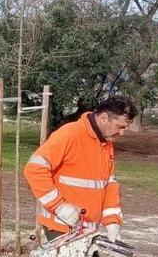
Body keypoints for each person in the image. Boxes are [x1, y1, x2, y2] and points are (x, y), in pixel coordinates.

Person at [23, 95, 138, 243]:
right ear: (104, 118)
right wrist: (59, 206)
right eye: (120, 127)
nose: (122, 133)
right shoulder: (70, 134)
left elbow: (109, 184)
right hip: (62, 226)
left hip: (86, 229)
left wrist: (112, 221)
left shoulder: (106, 143)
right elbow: (34, 169)